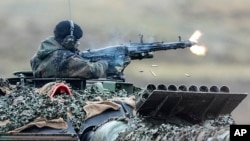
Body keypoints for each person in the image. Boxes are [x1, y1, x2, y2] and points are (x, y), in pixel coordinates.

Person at [30, 20, 117, 79]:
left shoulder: (38, 56)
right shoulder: (65, 58)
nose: (76, 44)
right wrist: (105, 63)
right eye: (76, 41)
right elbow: (93, 71)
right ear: (69, 40)